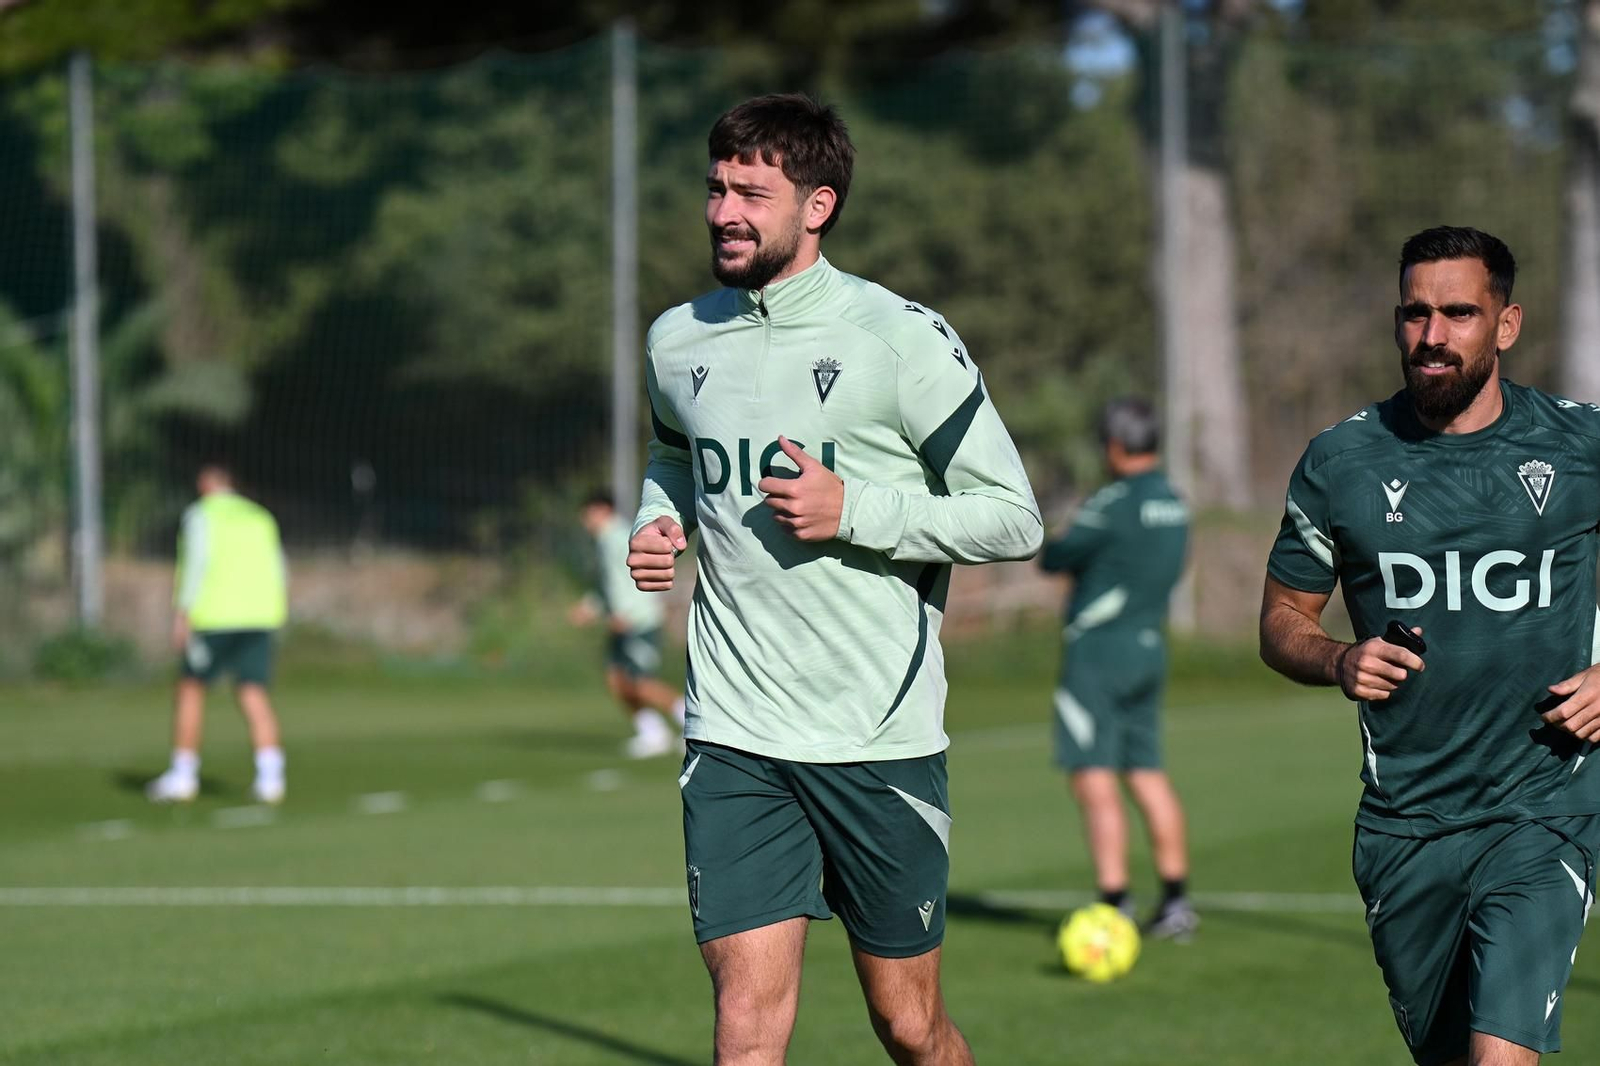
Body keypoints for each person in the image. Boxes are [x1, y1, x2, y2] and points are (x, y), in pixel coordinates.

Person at [626, 93, 1042, 1066]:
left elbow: (1012, 513)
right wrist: (660, 512)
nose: (723, 212)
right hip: (734, 736)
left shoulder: (897, 338)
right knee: (746, 1026)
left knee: (908, 1025)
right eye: (716, 187)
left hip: (877, 740)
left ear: (817, 206)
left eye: (751, 193)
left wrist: (853, 509)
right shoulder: (675, 339)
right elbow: (673, 454)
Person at [1259, 225, 1600, 1066]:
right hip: (1403, 827)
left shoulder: (1581, 445)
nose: (1433, 336)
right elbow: (1280, 620)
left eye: (1458, 313)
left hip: (1543, 810)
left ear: (1506, 325)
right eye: (1416, 314)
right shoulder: (1340, 461)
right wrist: (1338, 657)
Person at [1038, 397, 1195, 939]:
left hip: (1098, 654)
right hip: (1149, 646)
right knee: (1148, 774)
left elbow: (1054, 555)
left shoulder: (1111, 501)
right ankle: (1176, 903)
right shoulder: (1175, 501)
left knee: (1094, 777)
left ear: (1112, 445)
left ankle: (1115, 903)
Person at [146, 463, 289, 805]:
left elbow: (197, 563)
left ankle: (183, 774)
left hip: (215, 617)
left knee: (191, 689)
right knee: (252, 691)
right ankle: (271, 777)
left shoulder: (201, 515)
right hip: (259, 616)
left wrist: (182, 613)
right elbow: (279, 566)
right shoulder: (260, 516)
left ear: (208, 484)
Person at [569, 489, 685, 759]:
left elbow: (639, 574)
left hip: (638, 620)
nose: (585, 521)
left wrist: (626, 613)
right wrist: (591, 608)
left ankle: (692, 725)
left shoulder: (620, 536)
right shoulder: (603, 540)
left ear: (602, 510)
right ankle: (653, 733)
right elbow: (610, 585)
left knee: (641, 682)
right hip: (621, 621)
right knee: (616, 679)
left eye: (588, 514)